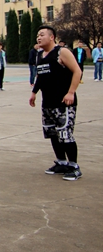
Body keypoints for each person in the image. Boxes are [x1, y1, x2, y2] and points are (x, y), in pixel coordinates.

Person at [30, 26, 83, 181]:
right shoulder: (39, 55)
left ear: (52, 37)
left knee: (65, 134)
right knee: (53, 134)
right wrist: (34, 93)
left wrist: (71, 92)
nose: (38, 38)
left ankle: (74, 166)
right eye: (37, 35)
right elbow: (40, 75)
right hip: (48, 103)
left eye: (42, 35)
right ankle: (61, 162)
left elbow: (77, 71)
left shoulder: (62, 52)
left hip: (64, 103)